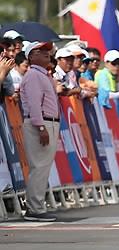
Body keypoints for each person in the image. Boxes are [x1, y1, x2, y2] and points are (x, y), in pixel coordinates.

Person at [20, 41, 60, 222]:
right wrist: (41, 127)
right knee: (40, 167)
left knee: (42, 167)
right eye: (40, 51)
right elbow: (35, 104)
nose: (46, 53)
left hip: (46, 122)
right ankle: (35, 208)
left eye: (47, 50)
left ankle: (36, 206)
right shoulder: (34, 75)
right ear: (31, 56)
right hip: (41, 123)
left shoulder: (42, 75)